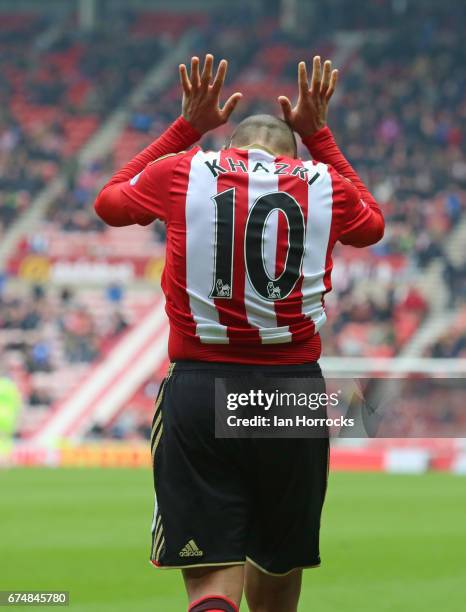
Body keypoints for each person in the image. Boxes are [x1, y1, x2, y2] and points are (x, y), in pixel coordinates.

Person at [95, 54, 384, 612]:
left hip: (201, 388)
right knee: (276, 577)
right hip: (291, 394)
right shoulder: (324, 184)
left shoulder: (185, 171)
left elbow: (109, 201)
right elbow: (372, 224)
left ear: (231, 148)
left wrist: (187, 126)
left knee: (211, 584)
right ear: (293, 156)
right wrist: (321, 135)